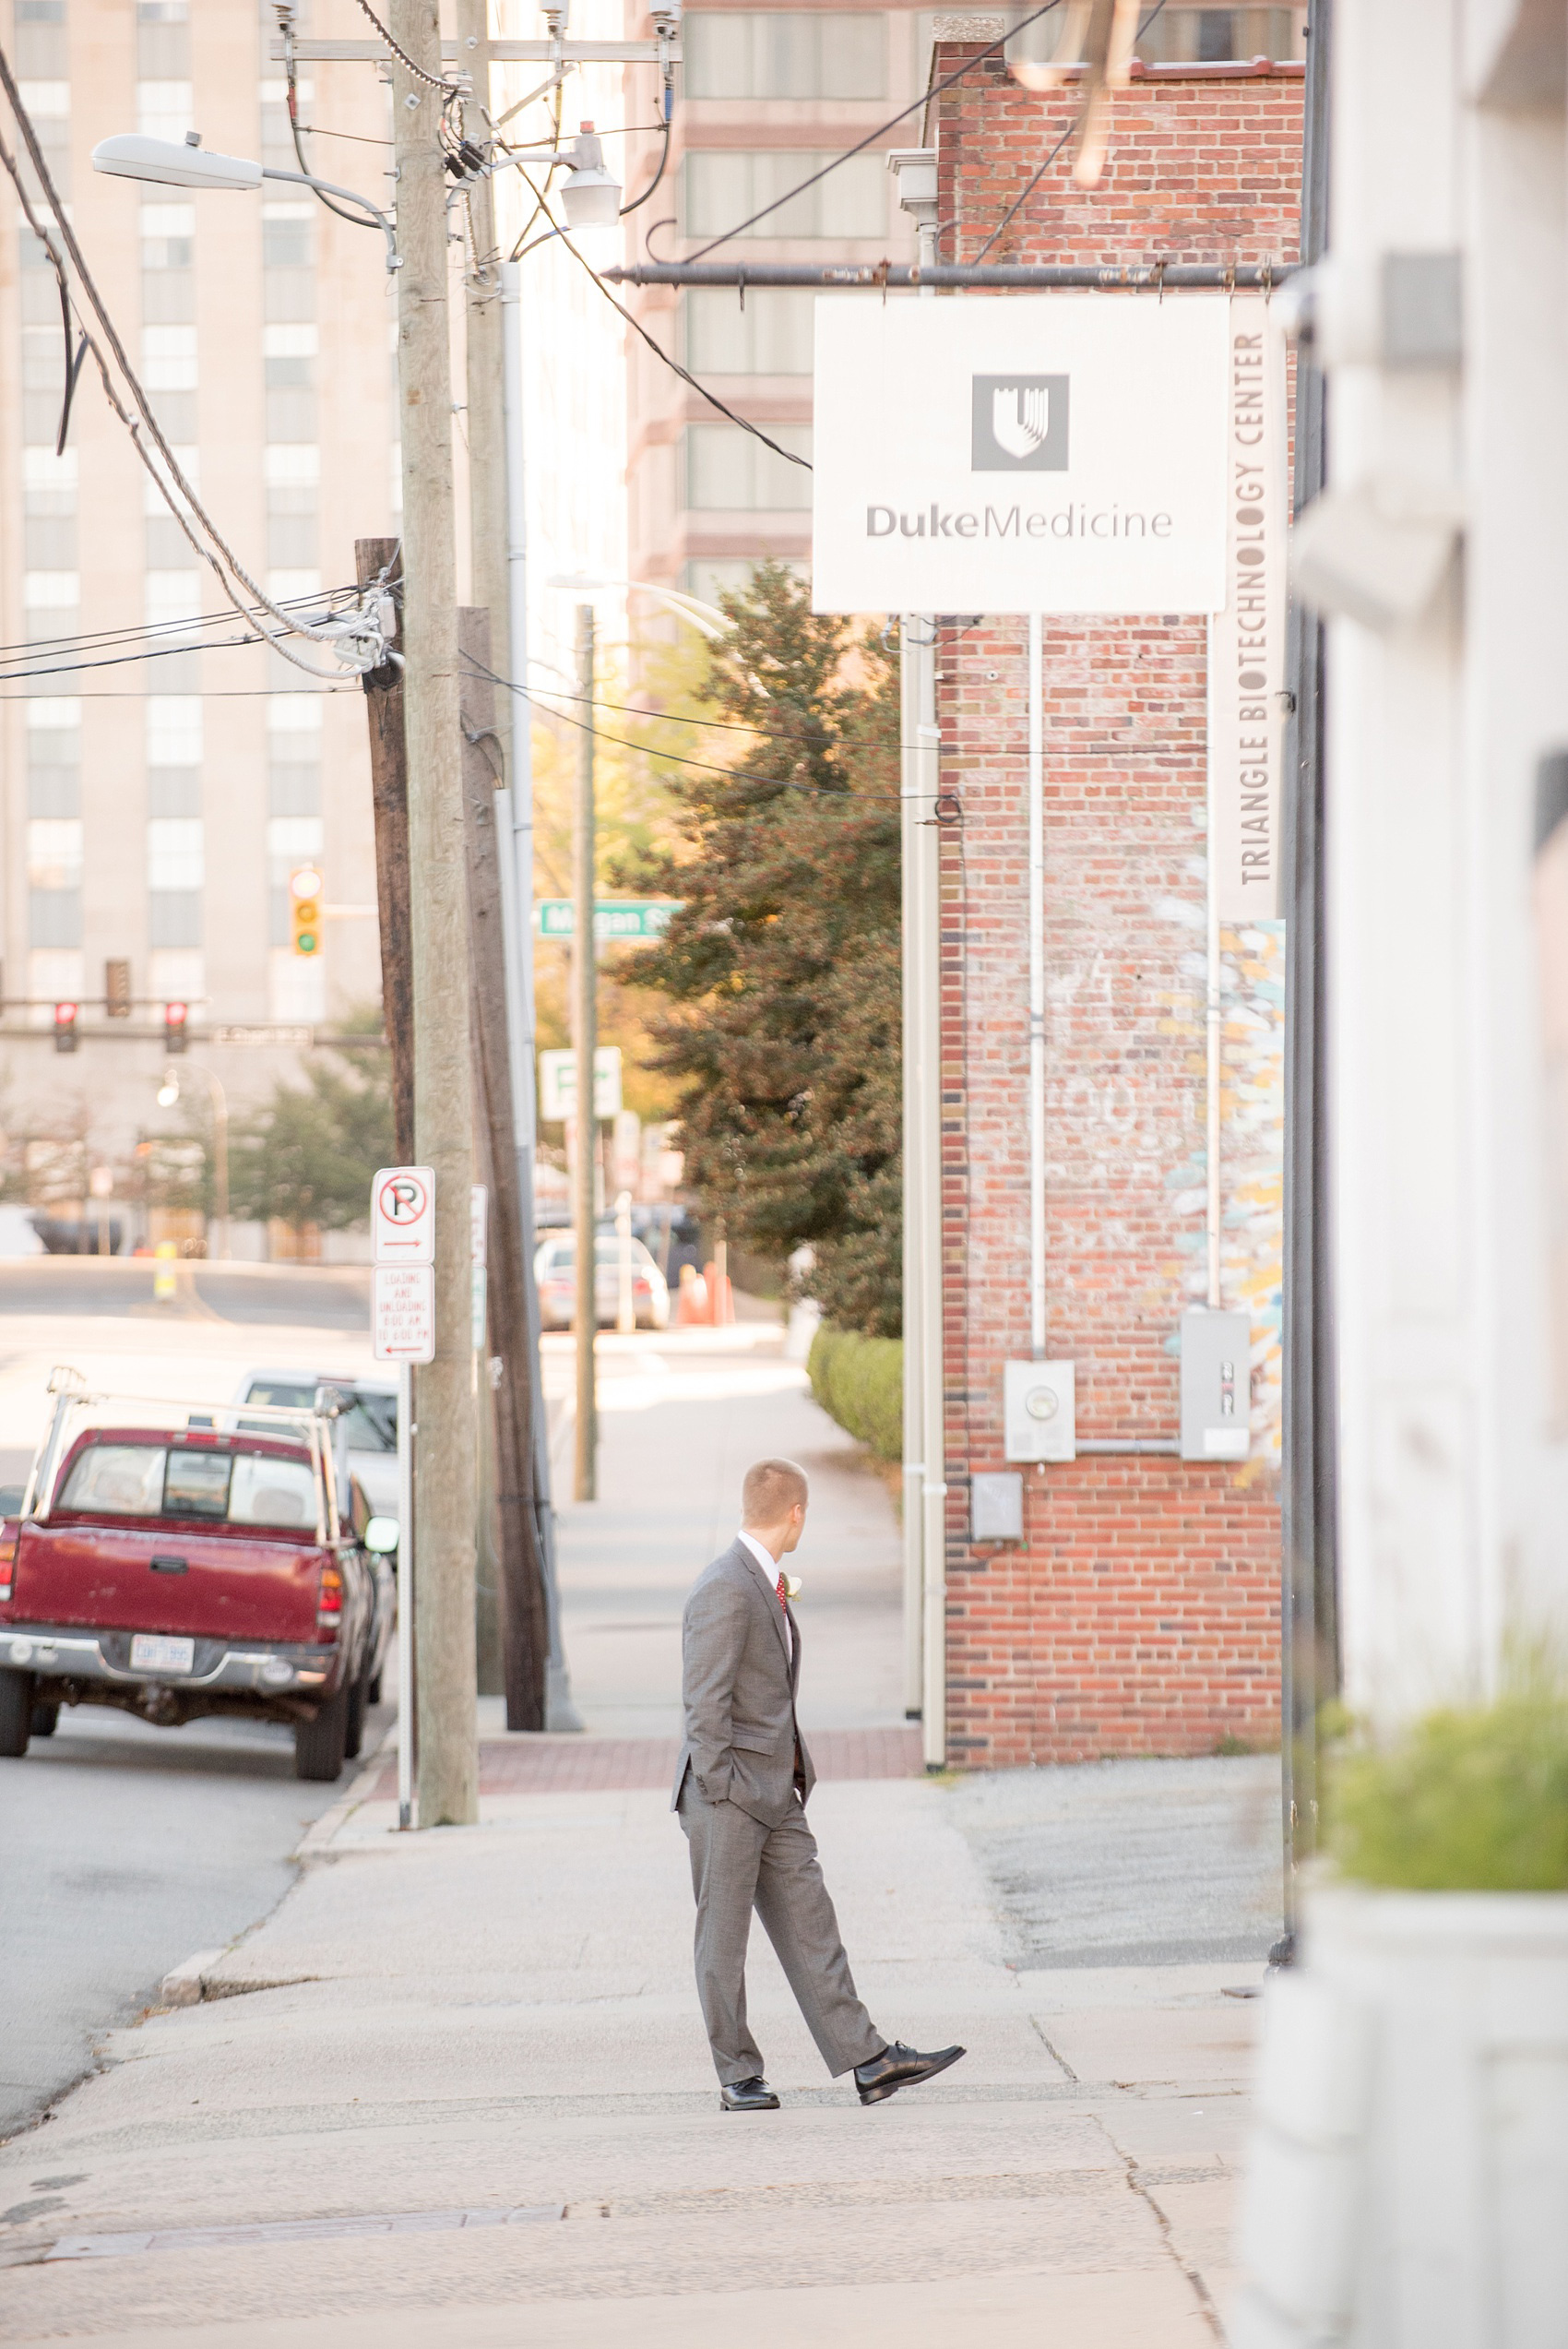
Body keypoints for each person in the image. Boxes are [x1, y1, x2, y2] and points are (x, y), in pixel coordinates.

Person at [671, 1455, 966, 2112]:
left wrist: (780, 1781)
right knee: (723, 1938)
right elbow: (704, 1705)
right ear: (796, 1513)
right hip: (730, 1796)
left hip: (774, 1792)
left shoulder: (763, 1580)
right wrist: (725, 1789)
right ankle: (737, 2075)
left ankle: (868, 2061)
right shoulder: (726, 1586)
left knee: (812, 1923)